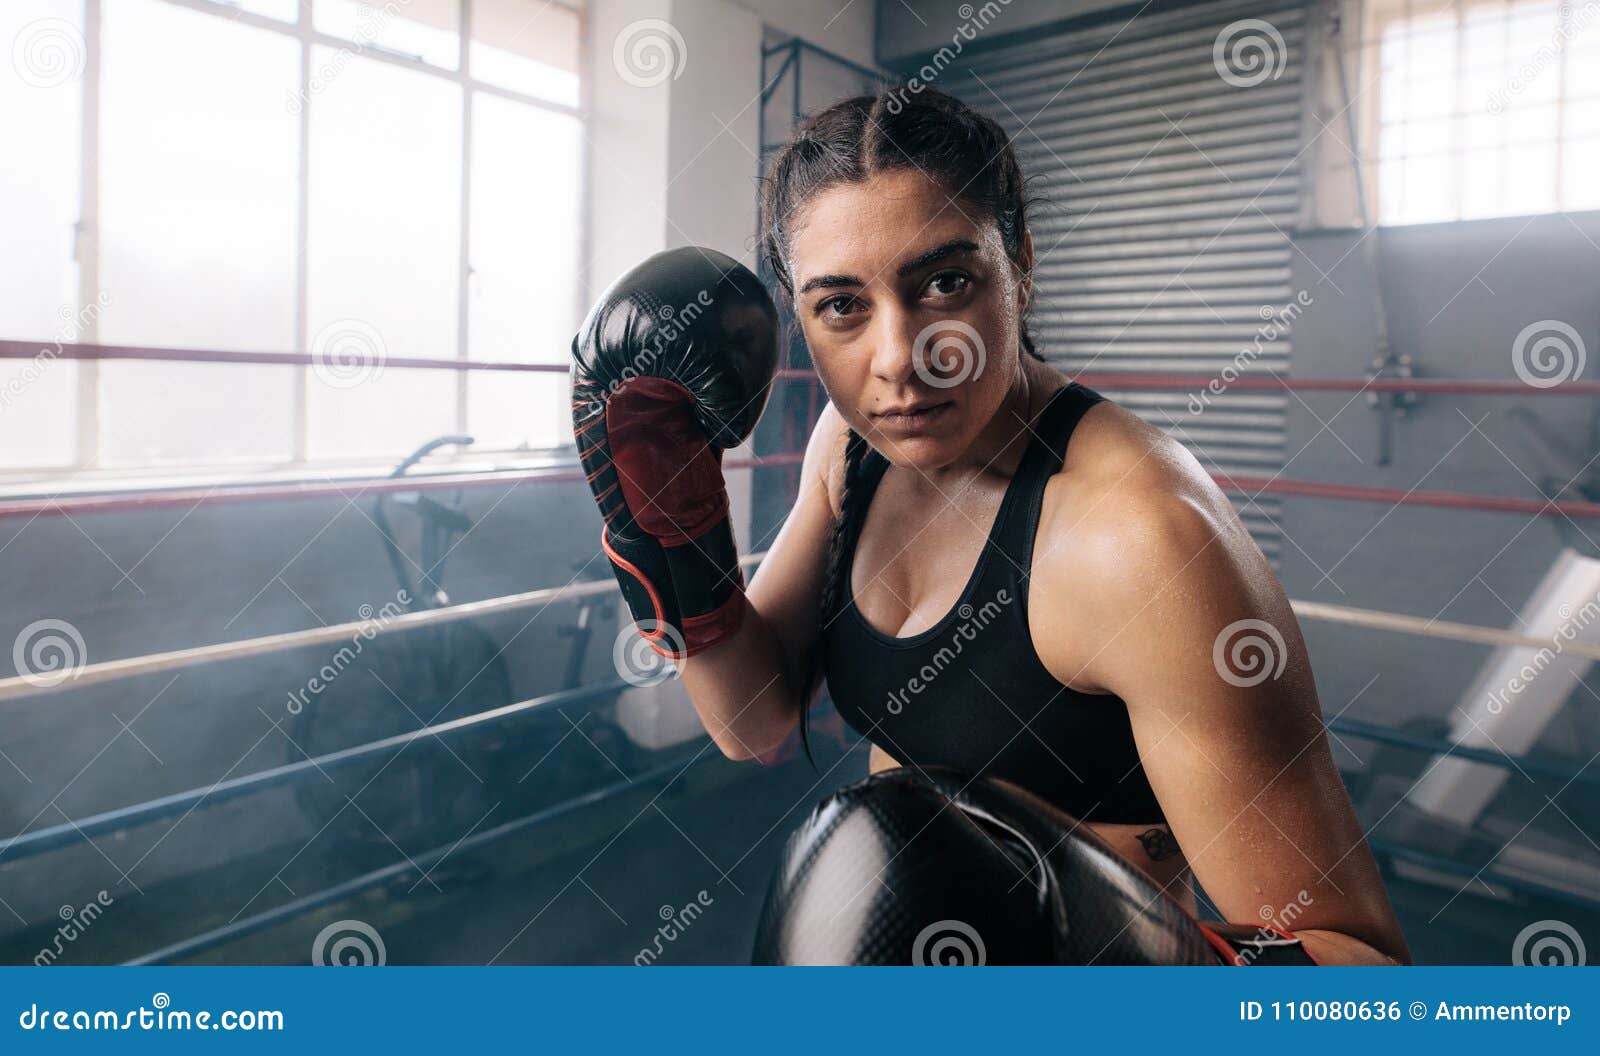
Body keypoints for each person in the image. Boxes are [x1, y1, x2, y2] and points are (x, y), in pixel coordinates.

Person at [573, 86, 1409, 966]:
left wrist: (1120, 969)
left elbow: (1360, 966)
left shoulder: (1143, 539)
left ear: (1021, 263)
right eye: (842, 306)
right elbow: (753, 720)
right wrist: (661, 528)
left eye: (943, 282)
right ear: (801, 320)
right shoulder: (851, 448)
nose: (900, 359)